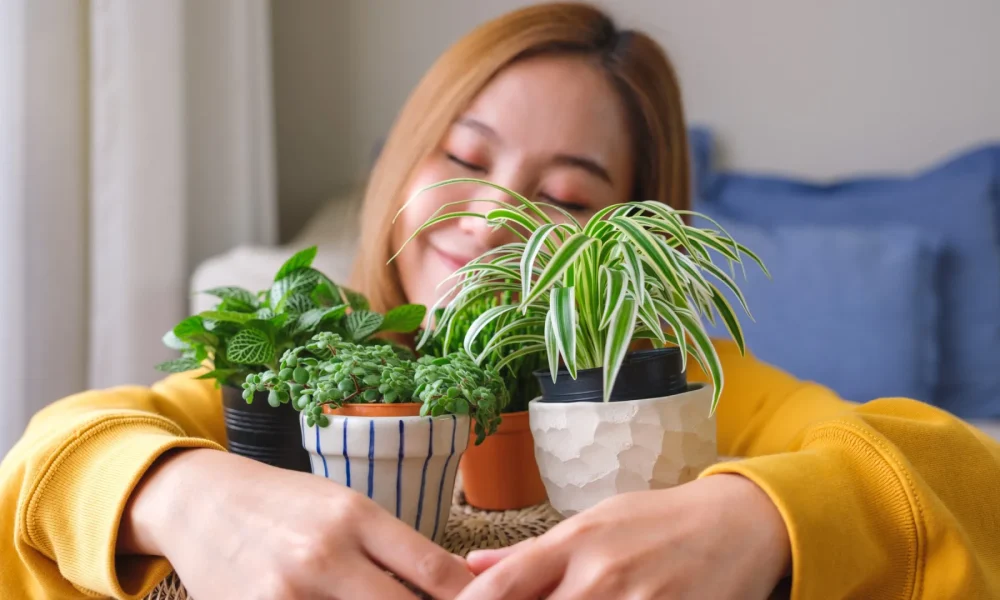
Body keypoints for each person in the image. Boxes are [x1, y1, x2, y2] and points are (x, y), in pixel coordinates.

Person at [2, 3, 998, 599]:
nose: (490, 216)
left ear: (631, 233)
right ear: (402, 160)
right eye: (465, 158)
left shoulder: (686, 393)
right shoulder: (308, 361)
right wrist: (185, 494)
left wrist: (759, 521)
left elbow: (958, 475)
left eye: (566, 195)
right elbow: (49, 461)